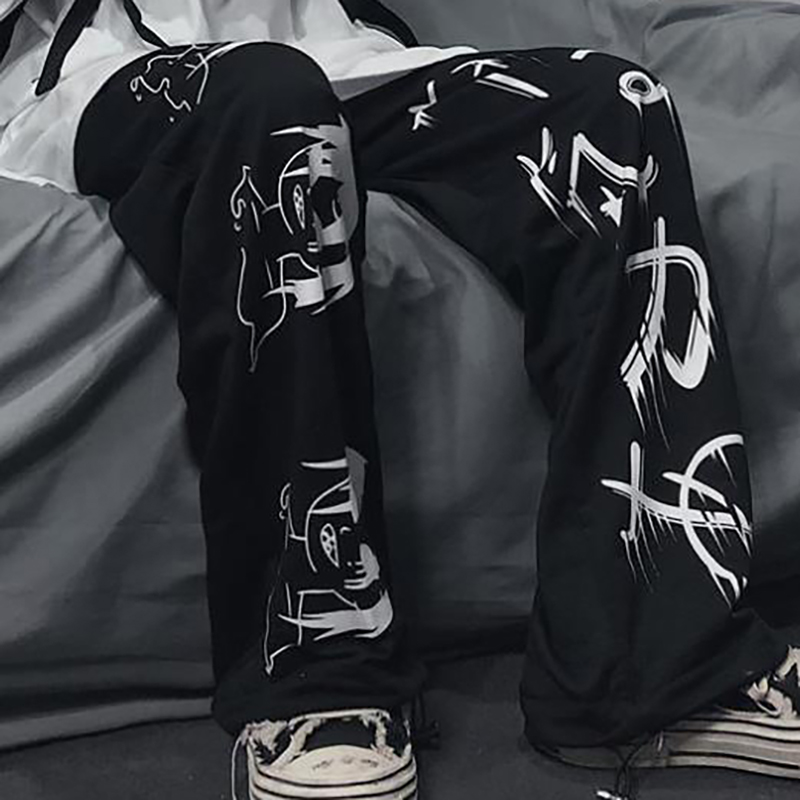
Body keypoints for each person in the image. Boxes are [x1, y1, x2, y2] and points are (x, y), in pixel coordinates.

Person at [1, 2, 798, 798]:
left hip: (328, 57)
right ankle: (317, 674)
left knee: (613, 104)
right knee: (270, 103)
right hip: (109, 78)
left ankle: (653, 666)